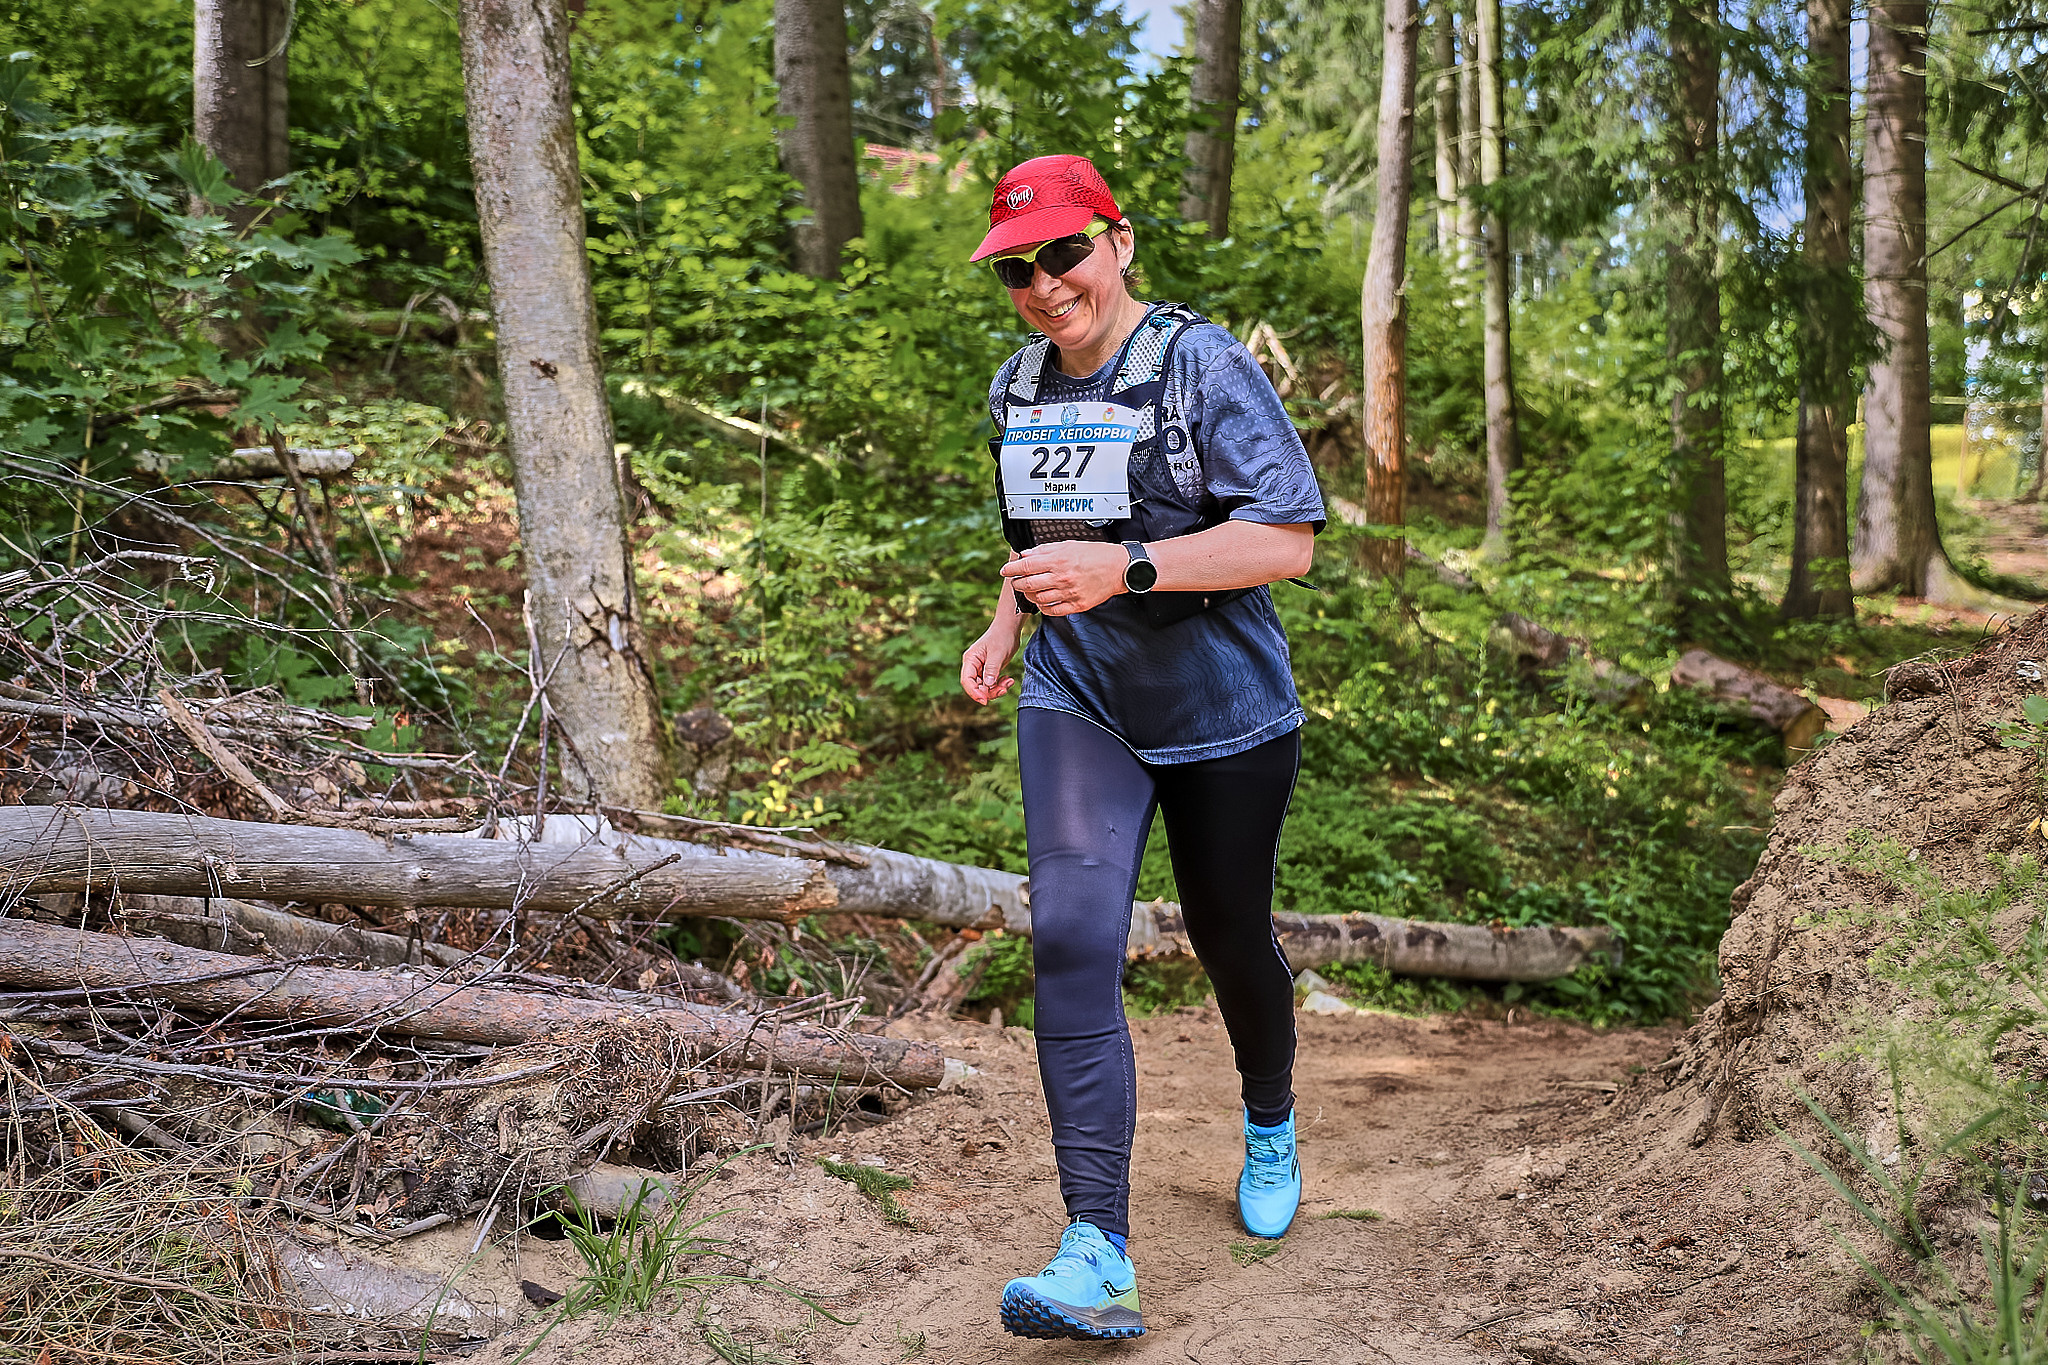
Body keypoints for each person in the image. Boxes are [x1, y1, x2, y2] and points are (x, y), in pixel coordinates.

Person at [956, 154, 1327, 1342]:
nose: (1043, 283)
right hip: (1080, 699)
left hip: (1223, 712)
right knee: (1067, 935)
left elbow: (1285, 541)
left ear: (1115, 242)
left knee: (1227, 937)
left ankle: (1266, 1120)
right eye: (1018, 266)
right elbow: (1039, 532)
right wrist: (1008, 616)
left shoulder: (1199, 365)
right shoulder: (1017, 386)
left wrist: (1126, 570)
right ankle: (1094, 1249)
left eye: (1063, 252)